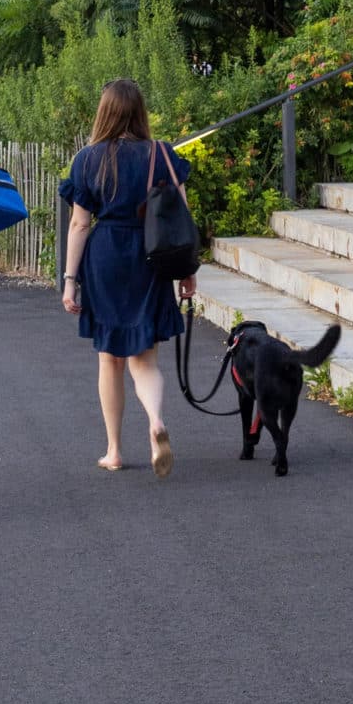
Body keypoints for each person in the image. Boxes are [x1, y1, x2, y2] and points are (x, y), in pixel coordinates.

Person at [60, 79, 198, 477]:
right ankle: (155, 420)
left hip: (105, 258)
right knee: (145, 357)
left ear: (104, 112)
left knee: (110, 358)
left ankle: (115, 450)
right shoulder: (163, 154)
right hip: (152, 257)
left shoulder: (87, 160)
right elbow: (181, 217)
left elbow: (79, 224)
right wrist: (188, 269)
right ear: (140, 112)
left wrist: (70, 280)